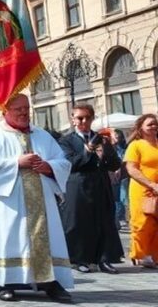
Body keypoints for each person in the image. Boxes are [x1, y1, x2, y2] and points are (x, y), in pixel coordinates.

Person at [0, 94, 72, 303]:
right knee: (9, 239)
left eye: (26, 108)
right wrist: (16, 162)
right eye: (18, 109)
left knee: (44, 240)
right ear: (4, 111)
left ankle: (49, 281)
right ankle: (3, 283)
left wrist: (49, 167)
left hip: (41, 202)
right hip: (8, 203)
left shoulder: (42, 134)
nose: (24, 112)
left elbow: (63, 161)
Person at [57, 103, 122, 274]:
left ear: (92, 119)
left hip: (100, 184)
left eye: (87, 117)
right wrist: (88, 150)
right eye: (80, 118)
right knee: (79, 222)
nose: (84, 121)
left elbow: (114, 164)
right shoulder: (66, 141)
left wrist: (106, 151)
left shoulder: (101, 138)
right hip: (78, 185)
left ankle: (104, 259)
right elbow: (70, 163)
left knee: (104, 221)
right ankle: (79, 259)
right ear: (73, 120)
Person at [124, 113, 158, 268]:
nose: (154, 126)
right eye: (150, 124)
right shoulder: (136, 145)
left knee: (156, 224)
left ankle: (154, 254)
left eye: (155, 123)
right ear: (141, 128)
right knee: (142, 222)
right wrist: (151, 184)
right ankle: (140, 254)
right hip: (142, 189)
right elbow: (131, 169)